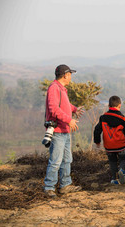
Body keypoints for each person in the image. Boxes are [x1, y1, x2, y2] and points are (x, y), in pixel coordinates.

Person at [43, 64, 84, 198]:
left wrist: (74, 109)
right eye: (70, 74)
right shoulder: (54, 88)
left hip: (65, 131)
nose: (71, 77)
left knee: (67, 159)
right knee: (56, 160)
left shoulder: (61, 89)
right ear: (65, 75)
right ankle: (49, 187)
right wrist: (69, 120)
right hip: (58, 130)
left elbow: (64, 104)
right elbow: (54, 109)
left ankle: (65, 185)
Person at [94, 96, 125, 185]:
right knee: (124, 159)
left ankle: (114, 179)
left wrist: (97, 141)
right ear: (119, 105)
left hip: (109, 145)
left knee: (112, 161)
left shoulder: (103, 117)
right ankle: (122, 170)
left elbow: (97, 130)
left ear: (109, 105)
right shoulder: (122, 118)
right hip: (120, 145)